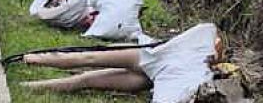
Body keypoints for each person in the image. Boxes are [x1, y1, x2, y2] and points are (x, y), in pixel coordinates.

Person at [18, 23, 221, 103]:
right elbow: (208, 31)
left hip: (148, 78)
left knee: (87, 79)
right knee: (89, 58)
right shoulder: (205, 37)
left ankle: (28, 86)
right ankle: (33, 59)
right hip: (148, 56)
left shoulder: (202, 74)